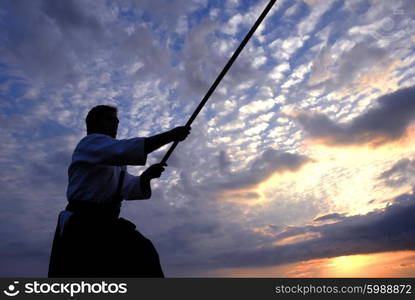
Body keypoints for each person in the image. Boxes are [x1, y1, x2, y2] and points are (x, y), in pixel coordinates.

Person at [48, 105, 190, 277]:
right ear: (94, 123)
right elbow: (123, 149)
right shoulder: (89, 143)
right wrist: (171, 135)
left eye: (117, 121)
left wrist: (146, 177)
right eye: (110, 119)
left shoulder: (115, 159)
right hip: (83, 225)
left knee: (142, 254)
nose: (116, 124)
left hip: (105, 223)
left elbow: (128, 188)